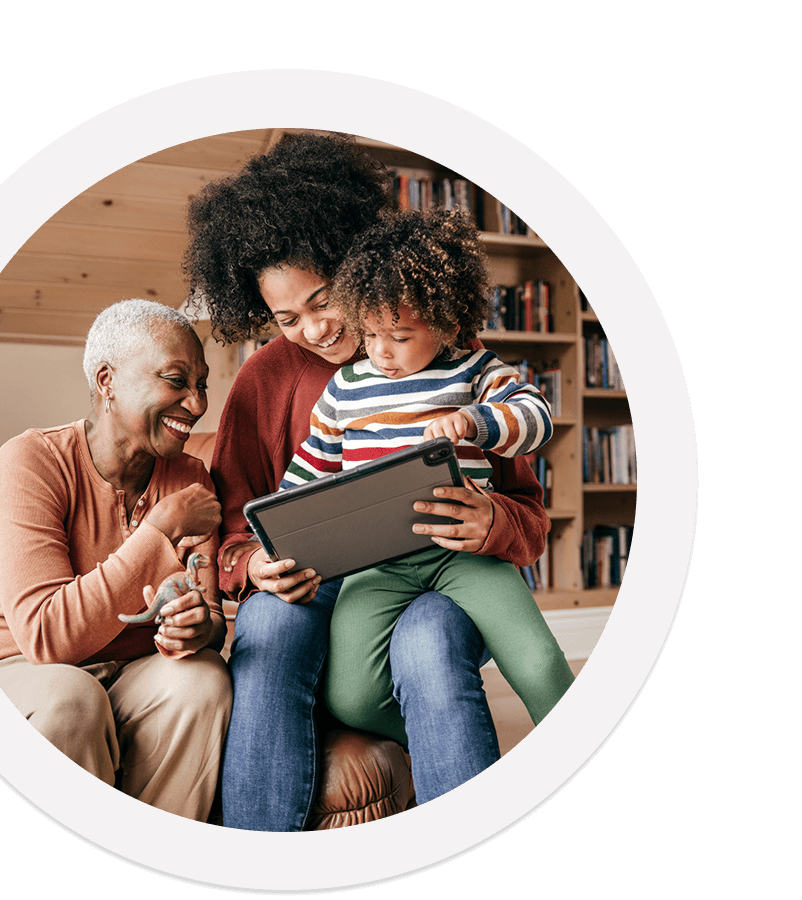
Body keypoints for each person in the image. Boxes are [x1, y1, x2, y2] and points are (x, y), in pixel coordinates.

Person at [183, 132, 552, 828]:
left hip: (442, 565)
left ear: (353, 267)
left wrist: (491, 522)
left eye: (323, 300)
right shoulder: (266, 378)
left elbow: (527, 509)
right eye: (286, 318)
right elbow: (234, 526)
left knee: (431, 644)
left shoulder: (445, 352)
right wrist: (254, 565)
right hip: (320, 580)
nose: (315, 329)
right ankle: (255, 860)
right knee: (266, 632)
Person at [279, 206, 574, 741]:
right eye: (369, 333)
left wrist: (476, 420)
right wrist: (280, 536)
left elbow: (536, 418)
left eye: (400, 335)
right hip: (376, 567)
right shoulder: (345, 387)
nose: (381, 352)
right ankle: (438, 735)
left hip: (464, 556)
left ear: (447, 321)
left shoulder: (475, 369)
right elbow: (307, 473)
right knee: (352, 698)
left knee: (540, 666)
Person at [0, 299, 231, 822]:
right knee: (72, 695)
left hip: (132, 671)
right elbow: (47, 637)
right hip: (19, 670)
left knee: (202, 680)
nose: (197, 404)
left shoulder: (191, 479)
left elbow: (213, 618)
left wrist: (200, 628)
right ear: (107, 381)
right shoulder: (30, 462)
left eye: (202, 384)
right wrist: (159, 531)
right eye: (177, 380)